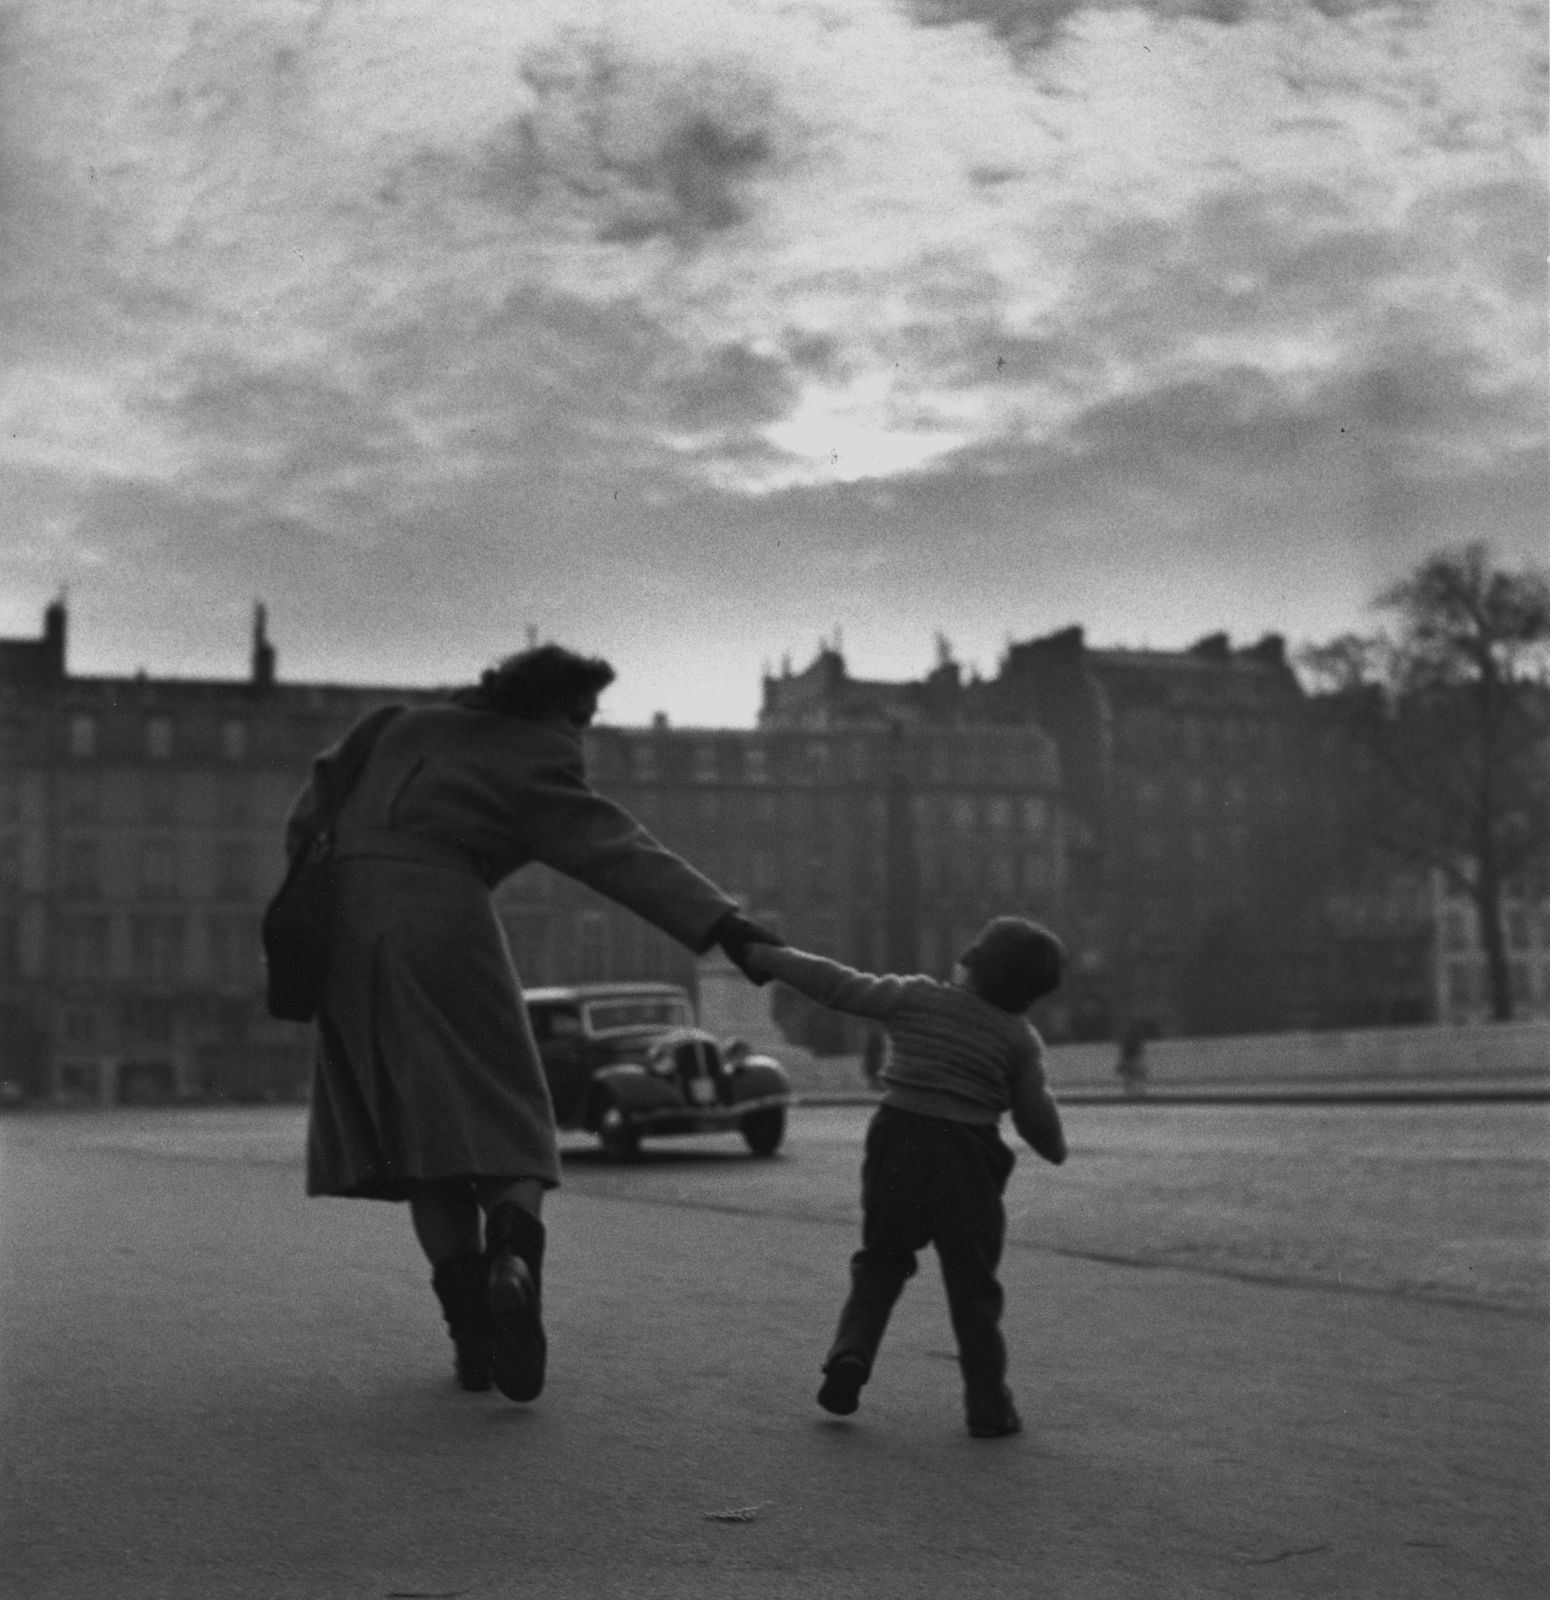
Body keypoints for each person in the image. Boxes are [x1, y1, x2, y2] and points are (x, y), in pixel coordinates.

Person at [283, 644, 780, 1403]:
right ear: (549, 709)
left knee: (422, 1142)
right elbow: (615, 849)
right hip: (444, 915)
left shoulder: (394, 723)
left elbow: (308, 811)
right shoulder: (536, 756)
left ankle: (472, 1340)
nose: (582, 733)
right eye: (580, 716)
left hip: (346, 927)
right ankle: (512, 1254)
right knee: (510, 1109)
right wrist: (726, 926)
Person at [742, 916, 1068, 1439]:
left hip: (899, 1140)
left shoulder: (917, 998)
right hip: (970, 1157)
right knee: (973, 1288)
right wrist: (1055, 1148)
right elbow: (1034, 1112)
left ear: (970, 961)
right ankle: (988, 1405)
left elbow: (839, 985)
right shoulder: (1019, 1039)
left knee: (881, 1262)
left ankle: (850, 1355)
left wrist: (770, 959)